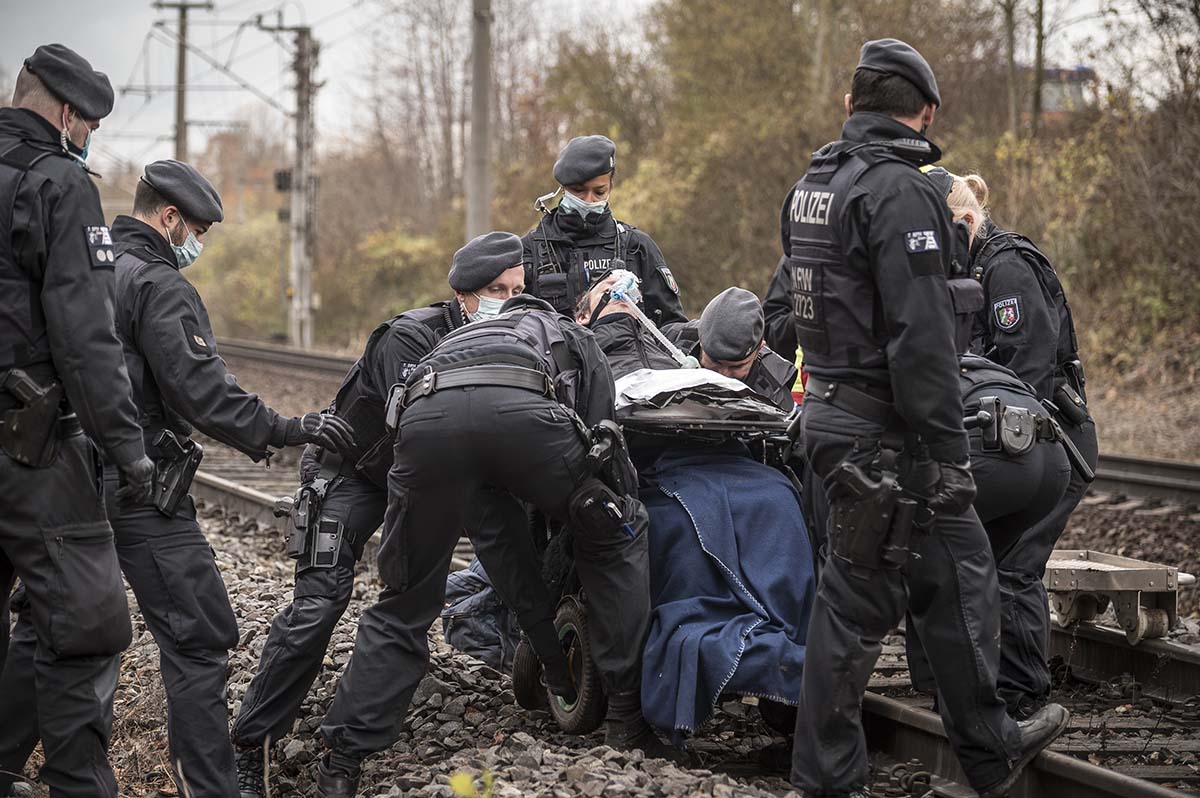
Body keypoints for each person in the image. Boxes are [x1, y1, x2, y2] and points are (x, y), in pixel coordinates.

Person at [0, 159, 356, 798]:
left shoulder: (83, 265)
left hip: (61, 476)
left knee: (47, 625)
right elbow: (201, 391)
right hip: (140, 487)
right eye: (198, 231)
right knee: (199, 636)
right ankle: (210, 789)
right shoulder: (158, 283)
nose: (197, 244)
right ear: (169, 218)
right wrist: (285, 427)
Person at [783, 39, 1067, 798]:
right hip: (888, 436)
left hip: (834, 415)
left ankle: (988, 748)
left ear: (851, 105)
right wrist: (949, 452)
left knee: (955, 574)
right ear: (928, 111)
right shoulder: (901, 192)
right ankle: (827, 778)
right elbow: (922, 339)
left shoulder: (812, 186)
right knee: (859, 604)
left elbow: (801, 309)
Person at [313, 233, 661, 798]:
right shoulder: (568, 331)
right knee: (616, 530)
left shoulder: (454, 336)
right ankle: (627, 716)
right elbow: (604, 437)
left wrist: (552, 664)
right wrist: (602, 508)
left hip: (428, 424)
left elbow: (502, 546)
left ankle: (341, 759)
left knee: (405, 602)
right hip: (520, 413)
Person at [231, 234, 571, 798]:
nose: (509, 301)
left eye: (517, 290)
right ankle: (250, 747)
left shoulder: (519, 339)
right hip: (353, 473)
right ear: (463, 295)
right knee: (319, 605)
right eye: (496, 290)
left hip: (431, 479)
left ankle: (560, 677)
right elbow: (411, 434)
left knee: (509, 564)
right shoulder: (410, 335)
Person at [0, 44, 155, 798]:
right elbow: (85, 336)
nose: (89, 138)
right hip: (27, 443)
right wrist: (127, 448)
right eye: (89, 126)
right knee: (86, 620)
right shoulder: (56, 182)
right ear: (67, 114)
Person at [946, 169, 1100, 716]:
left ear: (967, 222)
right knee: (976, 559)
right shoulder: (969, 271)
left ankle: (1022, 697)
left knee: (1014, 565)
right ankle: (982, 686)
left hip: (1050, 437)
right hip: (1013, 438)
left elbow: (1027, 368)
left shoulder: (1006, 266)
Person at [522, 135, 685, 325]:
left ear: (610, 187)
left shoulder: (636, 247)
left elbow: (671, 324)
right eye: (578, 190)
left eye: (599, 192)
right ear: (563, 188)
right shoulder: (529, 250)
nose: (588, 200)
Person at [667, 287, 798, 412]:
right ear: (701, 340)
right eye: (715, 362)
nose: (724, 375)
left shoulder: (774, 391)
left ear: (758, 350)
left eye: (736, 367)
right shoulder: (669, 343)